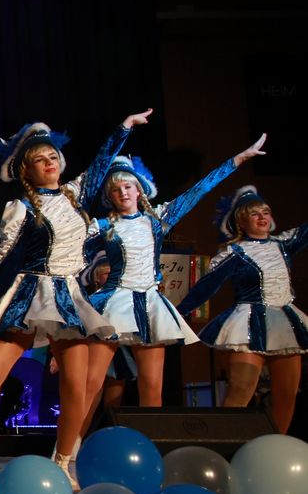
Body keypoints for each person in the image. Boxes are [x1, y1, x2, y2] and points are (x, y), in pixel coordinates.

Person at [0, 109, 152, 485]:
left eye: (53, 156)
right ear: (26, 170)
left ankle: (64, 462)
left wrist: (124, 127)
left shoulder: (75, 195)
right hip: (29, 292)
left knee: (76, 385)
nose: (49, 162)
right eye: (39, 159)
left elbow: (100, 164)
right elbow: (6, 261)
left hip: (67, 295)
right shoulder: (20, 208)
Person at [82, 137, 267, 415]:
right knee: (91, 383)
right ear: (110, 195)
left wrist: (237, 160)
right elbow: (71, 252)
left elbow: (199, 190)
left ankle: (151, 440)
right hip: (113, 303)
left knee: (152, 386)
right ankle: (72, 440)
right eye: (116, 189)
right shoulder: (104, 226)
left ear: (139, 189)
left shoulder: (157, 220)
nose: (123, 193)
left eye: (128, 186)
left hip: (150, 305)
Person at [176, 184, 307, 433]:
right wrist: (177, 313)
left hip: (285, 324)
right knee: (241, 390)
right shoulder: (234, 253)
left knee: (286, 395)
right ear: (241, 222)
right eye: (254, 213)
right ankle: (225, 445)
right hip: (248, 323)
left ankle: (276, 446)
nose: (262, 217)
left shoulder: (283, 244)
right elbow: (206, 287)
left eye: (265, 212)